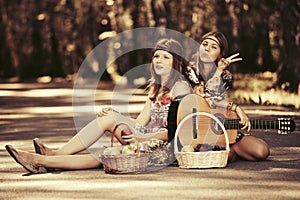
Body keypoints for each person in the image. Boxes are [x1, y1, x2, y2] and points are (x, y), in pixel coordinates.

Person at [5, 38, 192, 174]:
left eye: (165, 57)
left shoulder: (180, 87)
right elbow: (140, 122)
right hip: (146, 139)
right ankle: (51, 156)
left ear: (175, 62)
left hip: (165, 148)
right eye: (156, 56)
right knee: (108, 120)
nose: (158, 60)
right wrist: (117, 117)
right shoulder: (156, 89)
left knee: (103, 155)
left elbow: (176, 131)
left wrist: (142, 136)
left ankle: (42, 160)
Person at [182, 32, 270, 162]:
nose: (207, 48)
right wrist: (235, 107)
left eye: (214, 47)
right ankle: (229, 152)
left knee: (262, 151)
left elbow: (216, 100)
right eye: (204, 44)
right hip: (194, 130)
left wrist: (219, 72)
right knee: (206, 155)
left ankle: (232, 149)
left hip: (217, 126)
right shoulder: (189, 69)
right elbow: (203, 95)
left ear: (220, 54)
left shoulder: (226, 76)